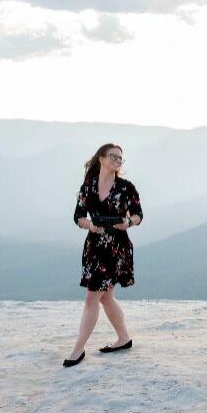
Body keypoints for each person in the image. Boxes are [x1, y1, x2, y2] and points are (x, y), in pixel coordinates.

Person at [63, 143, 143, 368]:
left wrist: (128, 222)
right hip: (95, 246)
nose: (118, 161)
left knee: (92, 298)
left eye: (121, 158)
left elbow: (138, 215)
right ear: (101, 159)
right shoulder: (88, 187)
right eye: (114, 156)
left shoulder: (126, 187)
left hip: (117, 247)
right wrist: (90, 225)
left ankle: (77, 349)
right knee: (106, 297)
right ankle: (124, 338)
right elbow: (78, 216)